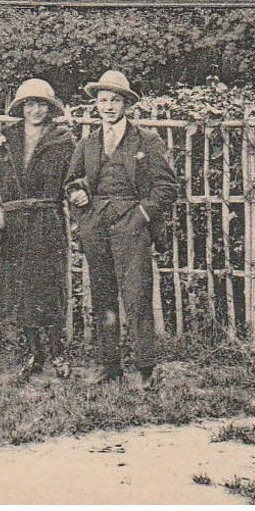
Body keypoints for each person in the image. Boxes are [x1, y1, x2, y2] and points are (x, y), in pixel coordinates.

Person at [65, 70, 177, 388]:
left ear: (126, 103)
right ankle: (108, 365)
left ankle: (145, 368)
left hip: (132, 225)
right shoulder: (88, 144)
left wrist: (142, 214)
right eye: (103, 100)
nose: (109, 106)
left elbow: (167, 186)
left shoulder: (147, 140)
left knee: (137, 296)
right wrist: (80, 194)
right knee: (102, 298)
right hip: (97, 226)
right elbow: (71, 183)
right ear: (96, 104)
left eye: (115, 100)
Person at [0, 78, 77, 378]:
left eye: (42, 105)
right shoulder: (5, 140)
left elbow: (74, 178)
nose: (35, 110)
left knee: (49, 290)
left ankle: (59, 353)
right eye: (30, 104)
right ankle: (34, 353)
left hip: (47, 223)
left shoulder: (64, 140)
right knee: (20, 292)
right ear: (21, 108)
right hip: (15, 224)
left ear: (51, 109)